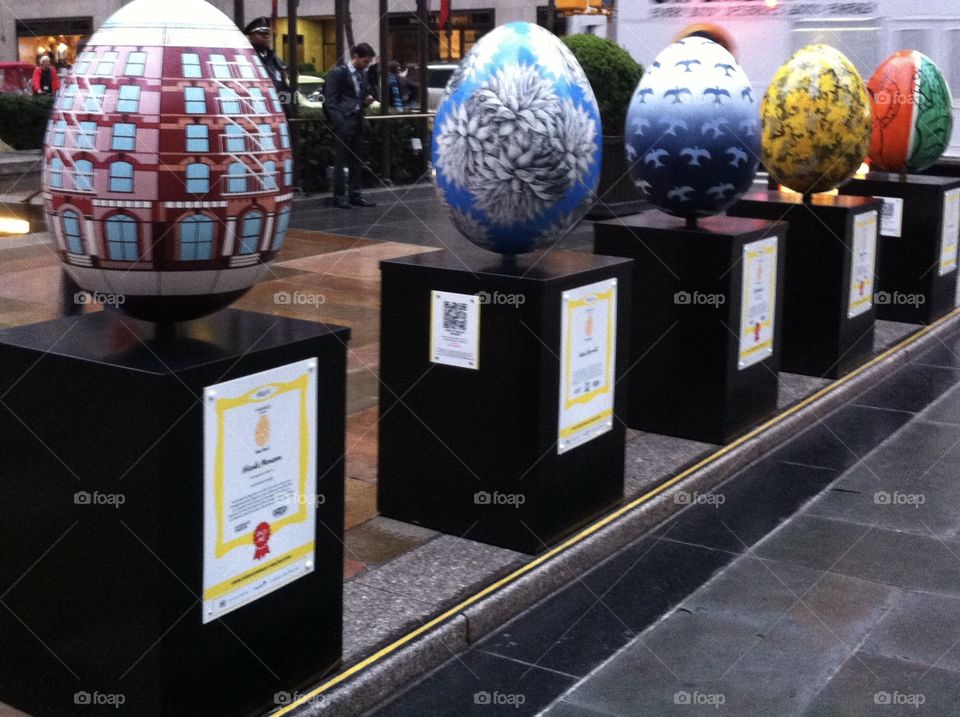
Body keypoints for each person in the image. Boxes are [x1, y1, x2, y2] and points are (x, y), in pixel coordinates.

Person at [323, 43, 377, 209]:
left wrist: (365, 101)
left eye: (369, 62)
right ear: (356, 57)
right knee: (341, 161)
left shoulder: (363, 74)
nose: (366, 65)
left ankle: (355, 195)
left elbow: (357, 97)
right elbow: (330, 100)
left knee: (356, 161)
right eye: (365, 61)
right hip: (344, 121)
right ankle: (339, 197)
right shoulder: (338, 73)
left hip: (358, 120)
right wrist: (339, 121)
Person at [243, 17, 291, 113]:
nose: (266, 37)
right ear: (251, 37)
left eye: (267, 34)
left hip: (278, 112)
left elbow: (285, 88)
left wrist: (287, 111)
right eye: (261, 34)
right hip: (258, 111)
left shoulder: (275, 61)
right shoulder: (246, 59)